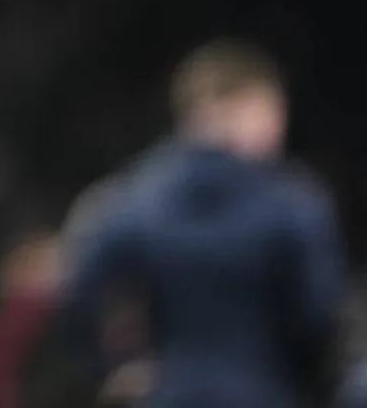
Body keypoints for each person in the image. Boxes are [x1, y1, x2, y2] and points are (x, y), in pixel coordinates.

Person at [60, 38, 350, 407]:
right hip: (263, 391)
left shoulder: (135, 197)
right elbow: (320, 314)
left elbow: (79, 291)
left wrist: (113, 367)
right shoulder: (291, 201)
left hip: (171, 393)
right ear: (243, 106)